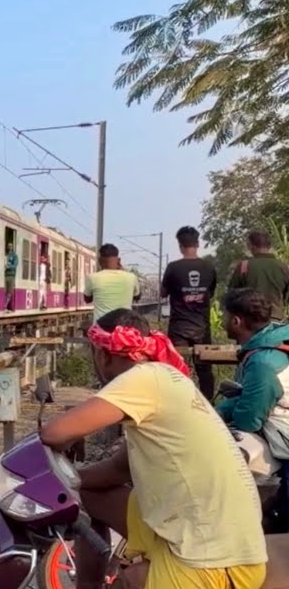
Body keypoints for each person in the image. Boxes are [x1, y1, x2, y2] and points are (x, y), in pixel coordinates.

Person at [39, 309, 267, 589]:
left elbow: (55, 433)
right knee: (84, 496)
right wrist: (67, 483)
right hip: (208, 532)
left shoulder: (142, 379)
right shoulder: (165, 378)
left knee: (128, 582)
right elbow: (117, 470)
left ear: (103, 354)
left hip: (207, 557)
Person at [218, 288, 289, 467]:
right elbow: (248, 396)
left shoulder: (262, 362)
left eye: (224, 317)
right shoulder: (271, 343)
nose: (221, 323)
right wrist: (216, 412)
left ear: (236, 321)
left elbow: (249, 419)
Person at [161, 226, 218, 400]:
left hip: (178, 328)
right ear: (198, 243)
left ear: (180, 245)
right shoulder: (208, 267)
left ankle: (179, 404)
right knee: (204, 371)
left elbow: (163, 294)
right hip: (202, 328)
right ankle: (208, 406)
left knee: (177, 369)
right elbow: (211, 292)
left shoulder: (173, 267)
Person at [229, 229, 289, 322]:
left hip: (251, 321)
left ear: (251, 246)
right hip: (277, 320)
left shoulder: (244, 266)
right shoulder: (284, 268)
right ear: (269, 246)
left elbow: (232, 295)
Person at [83, 244, 141, 322]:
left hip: (100, 329)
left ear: (99, 261)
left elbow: (87, 300)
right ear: (119, 261)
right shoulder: (131, 277)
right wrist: (123, 270)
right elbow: (137, 297)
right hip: (123, 330)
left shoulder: (92, 278)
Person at [4, 242, 18, 312]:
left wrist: (8, 266)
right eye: (8, 246)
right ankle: (6, 306)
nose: (9, 247)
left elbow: (15, 265)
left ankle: (5, 306)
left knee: (9, 292)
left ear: (12, 247)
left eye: (11, 246)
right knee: (5, 291)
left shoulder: (14, 255)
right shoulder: (5, 255)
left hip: (11, 275)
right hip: (5, 274)